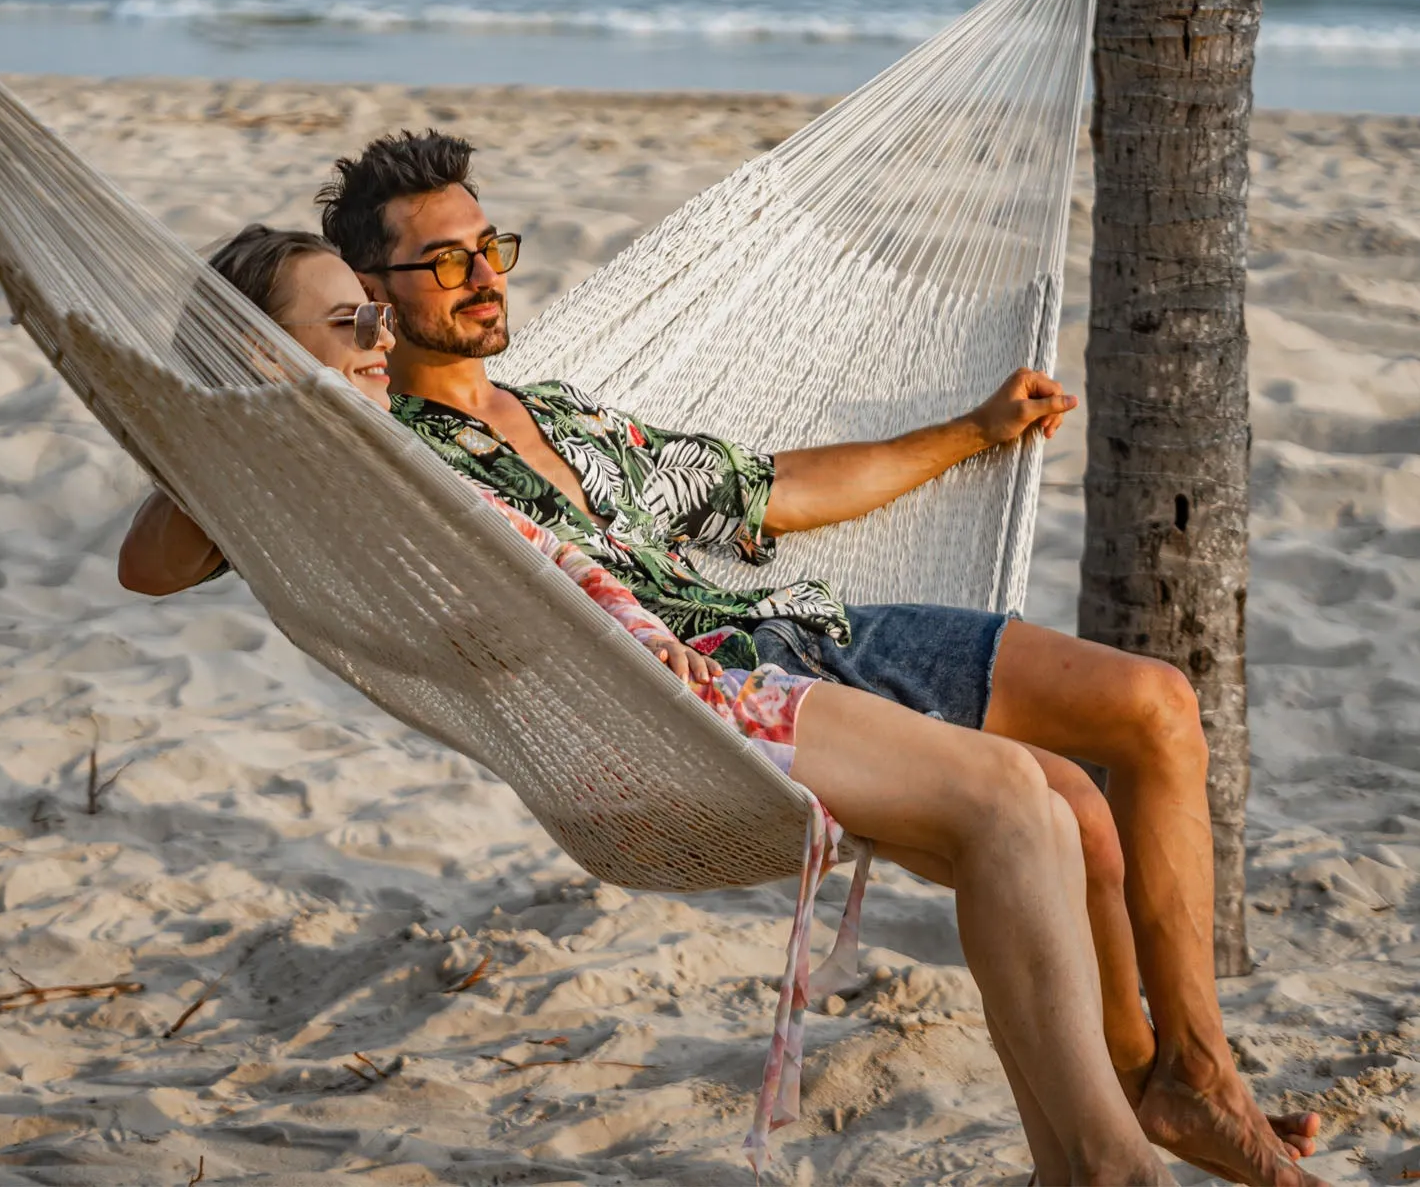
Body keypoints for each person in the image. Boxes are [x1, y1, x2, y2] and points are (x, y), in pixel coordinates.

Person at [304, 127, 1320, 1187]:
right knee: (1064, 816)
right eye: (445, 261)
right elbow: (193, 531)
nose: (482, 279)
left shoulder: (565, 417)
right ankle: (1127, 1132)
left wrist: (973, 430)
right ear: (373, 294)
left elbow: (770, 491)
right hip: (705, 695)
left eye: (488, 249)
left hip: (812, 631)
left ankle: (1194, 1076)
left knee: (1155, 705)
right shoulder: (390, 456)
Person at [123, 223, 1180, 1186]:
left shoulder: (410, 438)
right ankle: (1112, 1163)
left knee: (1038, 808)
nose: (377, 334)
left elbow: (745, 495)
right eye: (349, 317)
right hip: (655, 723)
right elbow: (149, 567)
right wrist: (240, 414)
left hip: (689, 685)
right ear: (262, 353)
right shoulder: (315, 473)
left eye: (375, 314)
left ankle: (1074, 1165)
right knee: (1006, 794)